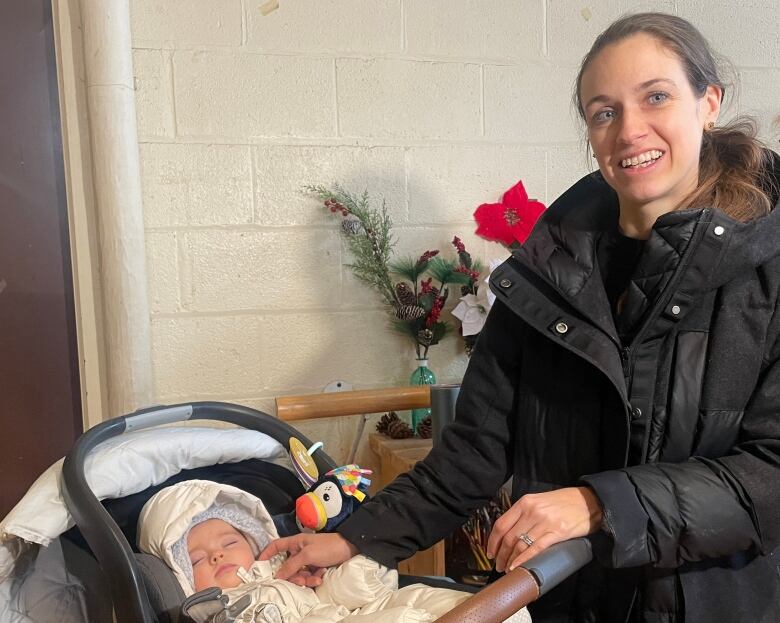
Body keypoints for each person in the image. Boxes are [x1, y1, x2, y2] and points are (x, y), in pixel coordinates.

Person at [259, 11, 780, 623]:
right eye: (604, 112)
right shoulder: (548, 280)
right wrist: (354, 537)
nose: (630, 130)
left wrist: (599, 505)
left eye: (656, 97)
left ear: (708, 102)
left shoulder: (765, 275)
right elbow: (473, 452)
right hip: (569, 603)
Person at [137, 479, 531, 622]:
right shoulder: (217, 611)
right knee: (403, 619)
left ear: (256, 541)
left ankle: (503, 611)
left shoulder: (286, 568)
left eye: (228, 543)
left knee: (448, 600)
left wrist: (360, 567)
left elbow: (341, 594)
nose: (218, 556)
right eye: (199, 560)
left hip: (345, 610)